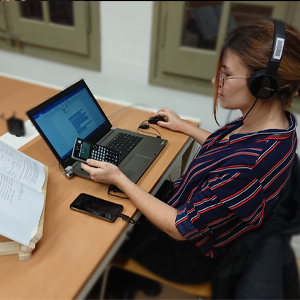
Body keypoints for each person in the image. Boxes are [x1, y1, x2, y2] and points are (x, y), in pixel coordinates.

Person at [81, 19, 300, 288]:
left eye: (226, 75)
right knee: (130, 196)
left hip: (188, 255)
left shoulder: (250, 166)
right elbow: (230, 152)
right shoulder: (276, 127)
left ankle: (118, 283)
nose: (214, 81)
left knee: (100, 229)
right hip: (194, 212)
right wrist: (184, 126)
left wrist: (119, 178)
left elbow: (179, 227)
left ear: (262, 84)